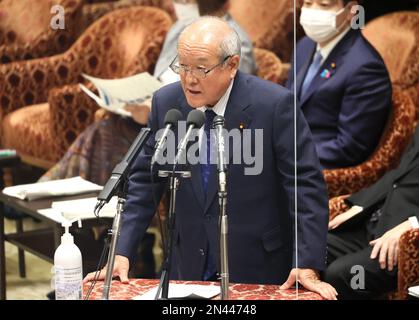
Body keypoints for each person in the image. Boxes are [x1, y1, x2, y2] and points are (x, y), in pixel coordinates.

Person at [84, 16, 337, 300]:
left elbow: (304, 188)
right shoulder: (167, 103)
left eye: (201, 69)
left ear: (232, 65)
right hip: (189, 265)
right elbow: (146, 182)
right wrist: (121, 250)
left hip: (258, 269)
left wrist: (306, 262)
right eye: (183, 66)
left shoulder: (275, 107)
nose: (189, 79)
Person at [40, 0, 256, 185]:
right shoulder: (180, 31)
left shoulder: (236, 44)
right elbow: (160, 82)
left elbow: (220, 104)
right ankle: (66, 203)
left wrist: (156, 112)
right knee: (103, 129)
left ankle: (72, 207)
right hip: (154, 119)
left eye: (187, 2)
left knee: (105, 137)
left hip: (189, 131)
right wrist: (137, 103)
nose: (180, 5)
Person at [286, 0, 392, 169]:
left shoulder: (366, 67)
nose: (312, 11)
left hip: (315, 169)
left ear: (351, 11)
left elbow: (350, 147)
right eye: (307, 3)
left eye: (324, 5)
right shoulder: (304, 46)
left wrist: (289, 155)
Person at [324, 126, 419, 299]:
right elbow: (401, 174)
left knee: (345, 274)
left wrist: (412, 224)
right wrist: (360, 205)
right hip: (377, 220)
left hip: (407, 242)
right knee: (310, 247)